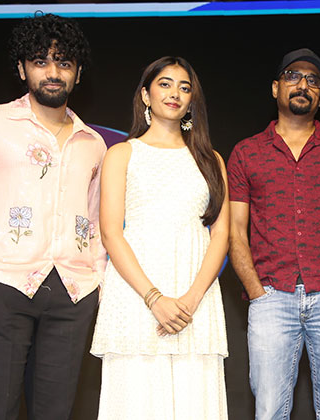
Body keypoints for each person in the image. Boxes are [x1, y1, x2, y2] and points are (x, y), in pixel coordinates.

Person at [0, 13, 106, 419]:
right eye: (40, 61)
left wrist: (98, 282)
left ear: (78, 73)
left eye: (64, 63)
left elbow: (95, 222)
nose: (53, 72)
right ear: (22, 68)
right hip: (3, 284)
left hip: (73, 291)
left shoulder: (93, 143)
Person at [227, 48, 320, 420]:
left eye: (312, 80)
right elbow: (235, 230)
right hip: (271, 297)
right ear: (275, 88)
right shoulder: (246, 153)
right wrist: (256, 291)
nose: (302, 85)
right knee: (269, 411)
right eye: (293, 76)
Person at [89, 56, 229, 419]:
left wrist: (190, 300)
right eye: (165, 84)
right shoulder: (121, 154)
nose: (174, 93)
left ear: (192, 101)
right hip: (136, 296)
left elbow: (221, 234)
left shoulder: (211, 160)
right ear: (145, 95)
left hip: (195, 299)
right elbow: (111, 233)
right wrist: (154, 298)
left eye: (185, 87)